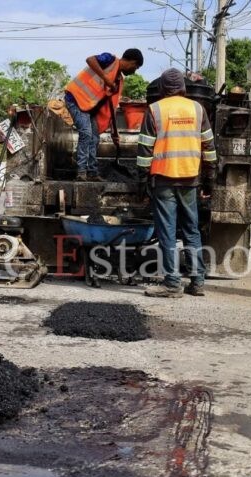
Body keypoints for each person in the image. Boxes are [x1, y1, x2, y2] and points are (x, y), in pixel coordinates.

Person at [136, 68, 217, 298]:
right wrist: (209, 182)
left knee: (167, 231)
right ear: (183, 87)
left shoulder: (155, 109)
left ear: (162, 88)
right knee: (192, 230)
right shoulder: (198, 109)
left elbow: (144, 152)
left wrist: (142, 184)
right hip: (190, 179)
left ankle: (172, 283)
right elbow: (209, 148)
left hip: (163, 180)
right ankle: (197, 282)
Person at [65, 48, 143, 181]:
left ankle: (92, 172)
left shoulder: (118, 80)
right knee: (86, 133)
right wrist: (106, 78)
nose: (134, 72)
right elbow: (90, 59)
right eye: (135, 67)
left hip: (89, 107)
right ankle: (81, 172)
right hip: (76, 98)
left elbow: (111, 107)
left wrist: (114, 132)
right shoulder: (110, 60)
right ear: (131, 62)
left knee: (94, 137)